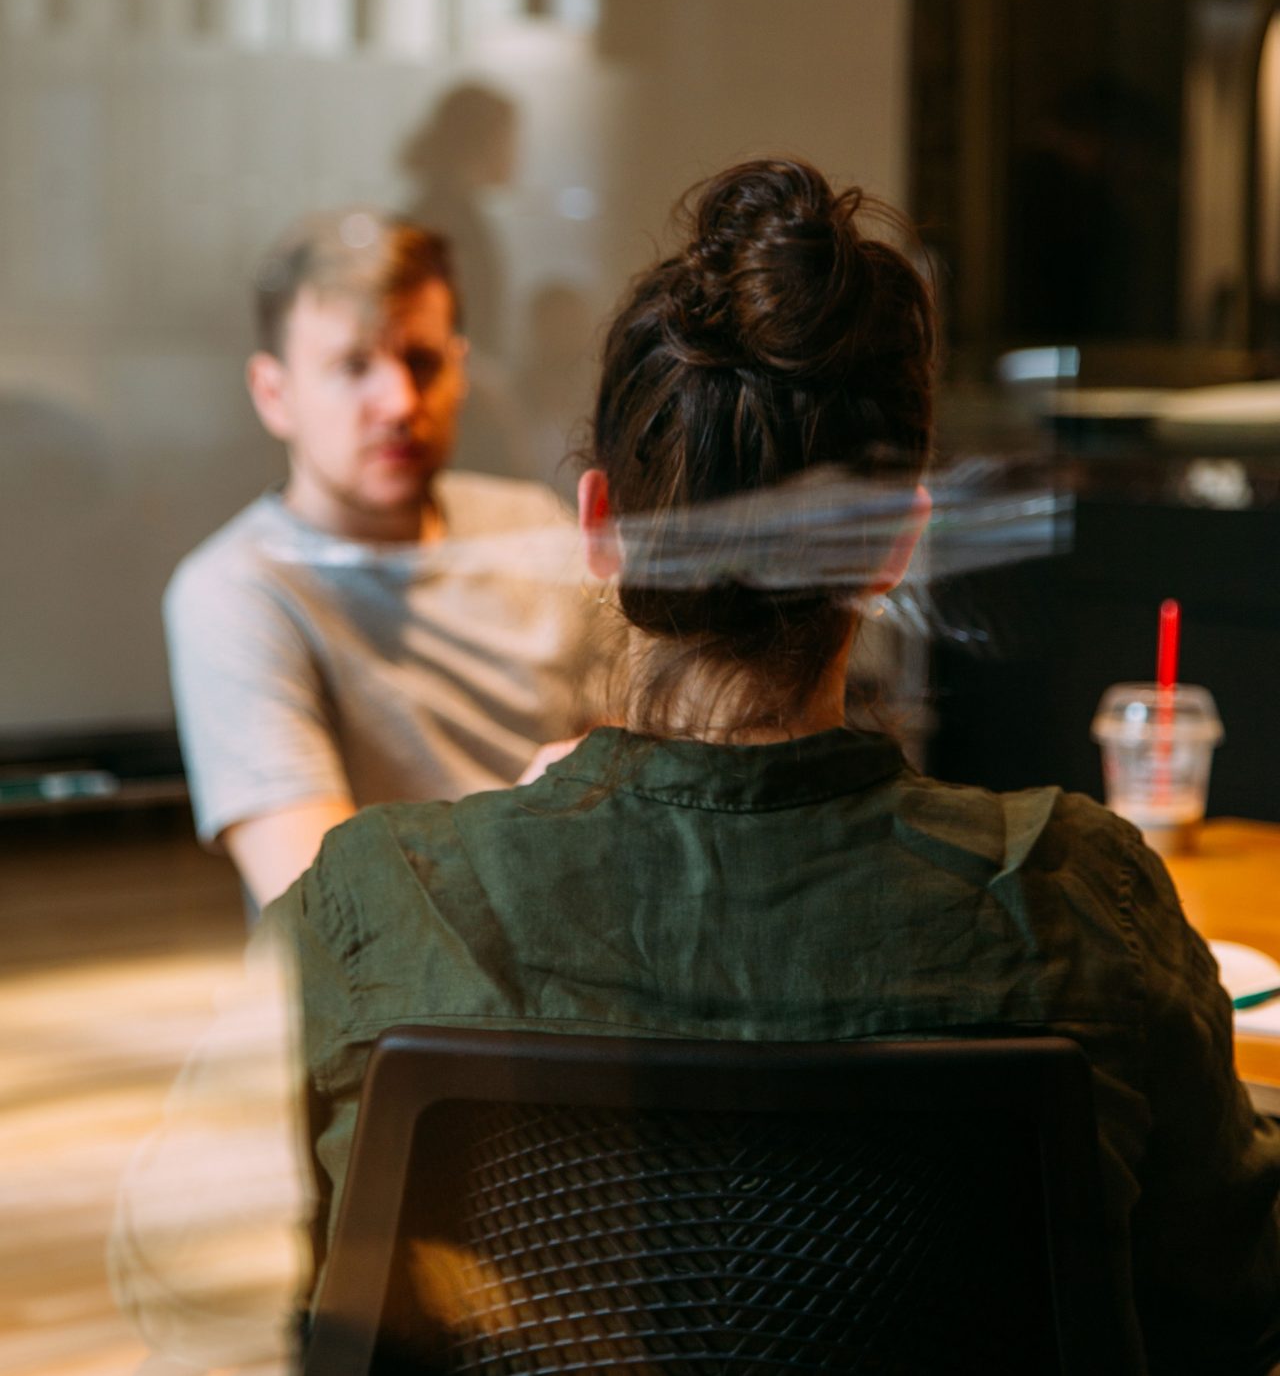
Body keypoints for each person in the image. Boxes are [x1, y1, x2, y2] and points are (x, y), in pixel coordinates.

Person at [140, 159, 1280, 1369]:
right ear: (897, 543)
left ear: (595, 528)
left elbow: (352, 1331)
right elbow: (1225, 1313)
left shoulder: (371, 908)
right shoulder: (1081, 899)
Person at [164, 210, 602, 907]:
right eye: (353, 365)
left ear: (460, 371)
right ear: (274, 394)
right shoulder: (236, 590)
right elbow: (325, 906)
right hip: (393, 1009)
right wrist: (532, 820)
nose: (398, 402)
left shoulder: (534, 527)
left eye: (421, 361)